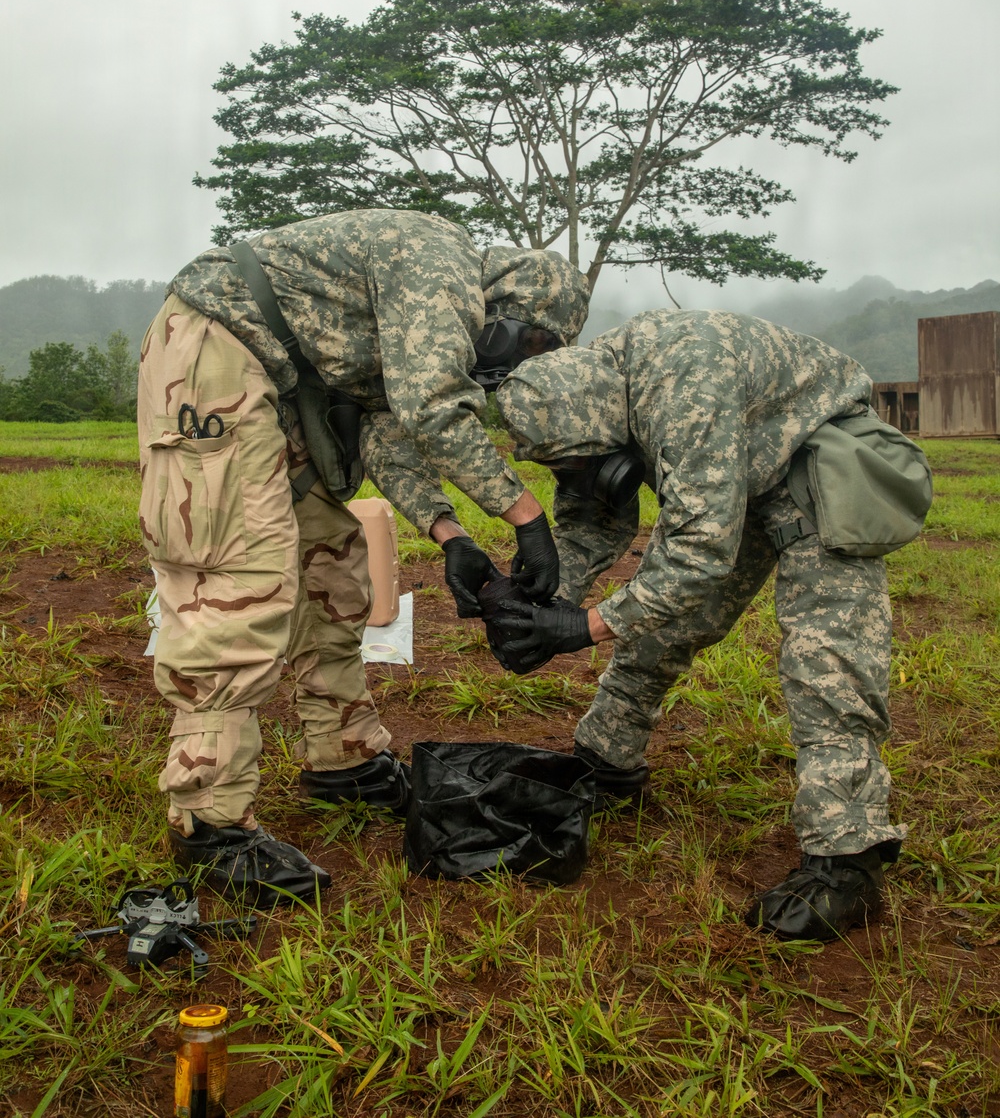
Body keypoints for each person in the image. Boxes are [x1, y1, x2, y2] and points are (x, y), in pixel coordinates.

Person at [138, 208, 589, 904]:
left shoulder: (421, 313)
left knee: (332, 564)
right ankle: (210, 823)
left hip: (285, 385)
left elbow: (386, 428)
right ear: (508, 298)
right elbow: (432, 404)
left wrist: (451, 536)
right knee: (238, 578)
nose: (515, 358)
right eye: (526, 339)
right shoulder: (443, 264)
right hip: (217, 351)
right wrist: (527, 520)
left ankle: (341, 758)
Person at [492, 309, 924, 941]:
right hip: (734, 476)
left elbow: (699, 551)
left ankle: (848, 857)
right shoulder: (589, 397)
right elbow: (596, 513)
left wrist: (583, 627)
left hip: (819, 461)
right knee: (662, 629)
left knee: (826, 663)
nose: (586, 472)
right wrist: (543, 595)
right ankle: (606, 762)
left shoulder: (682, 379)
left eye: (584, 461)